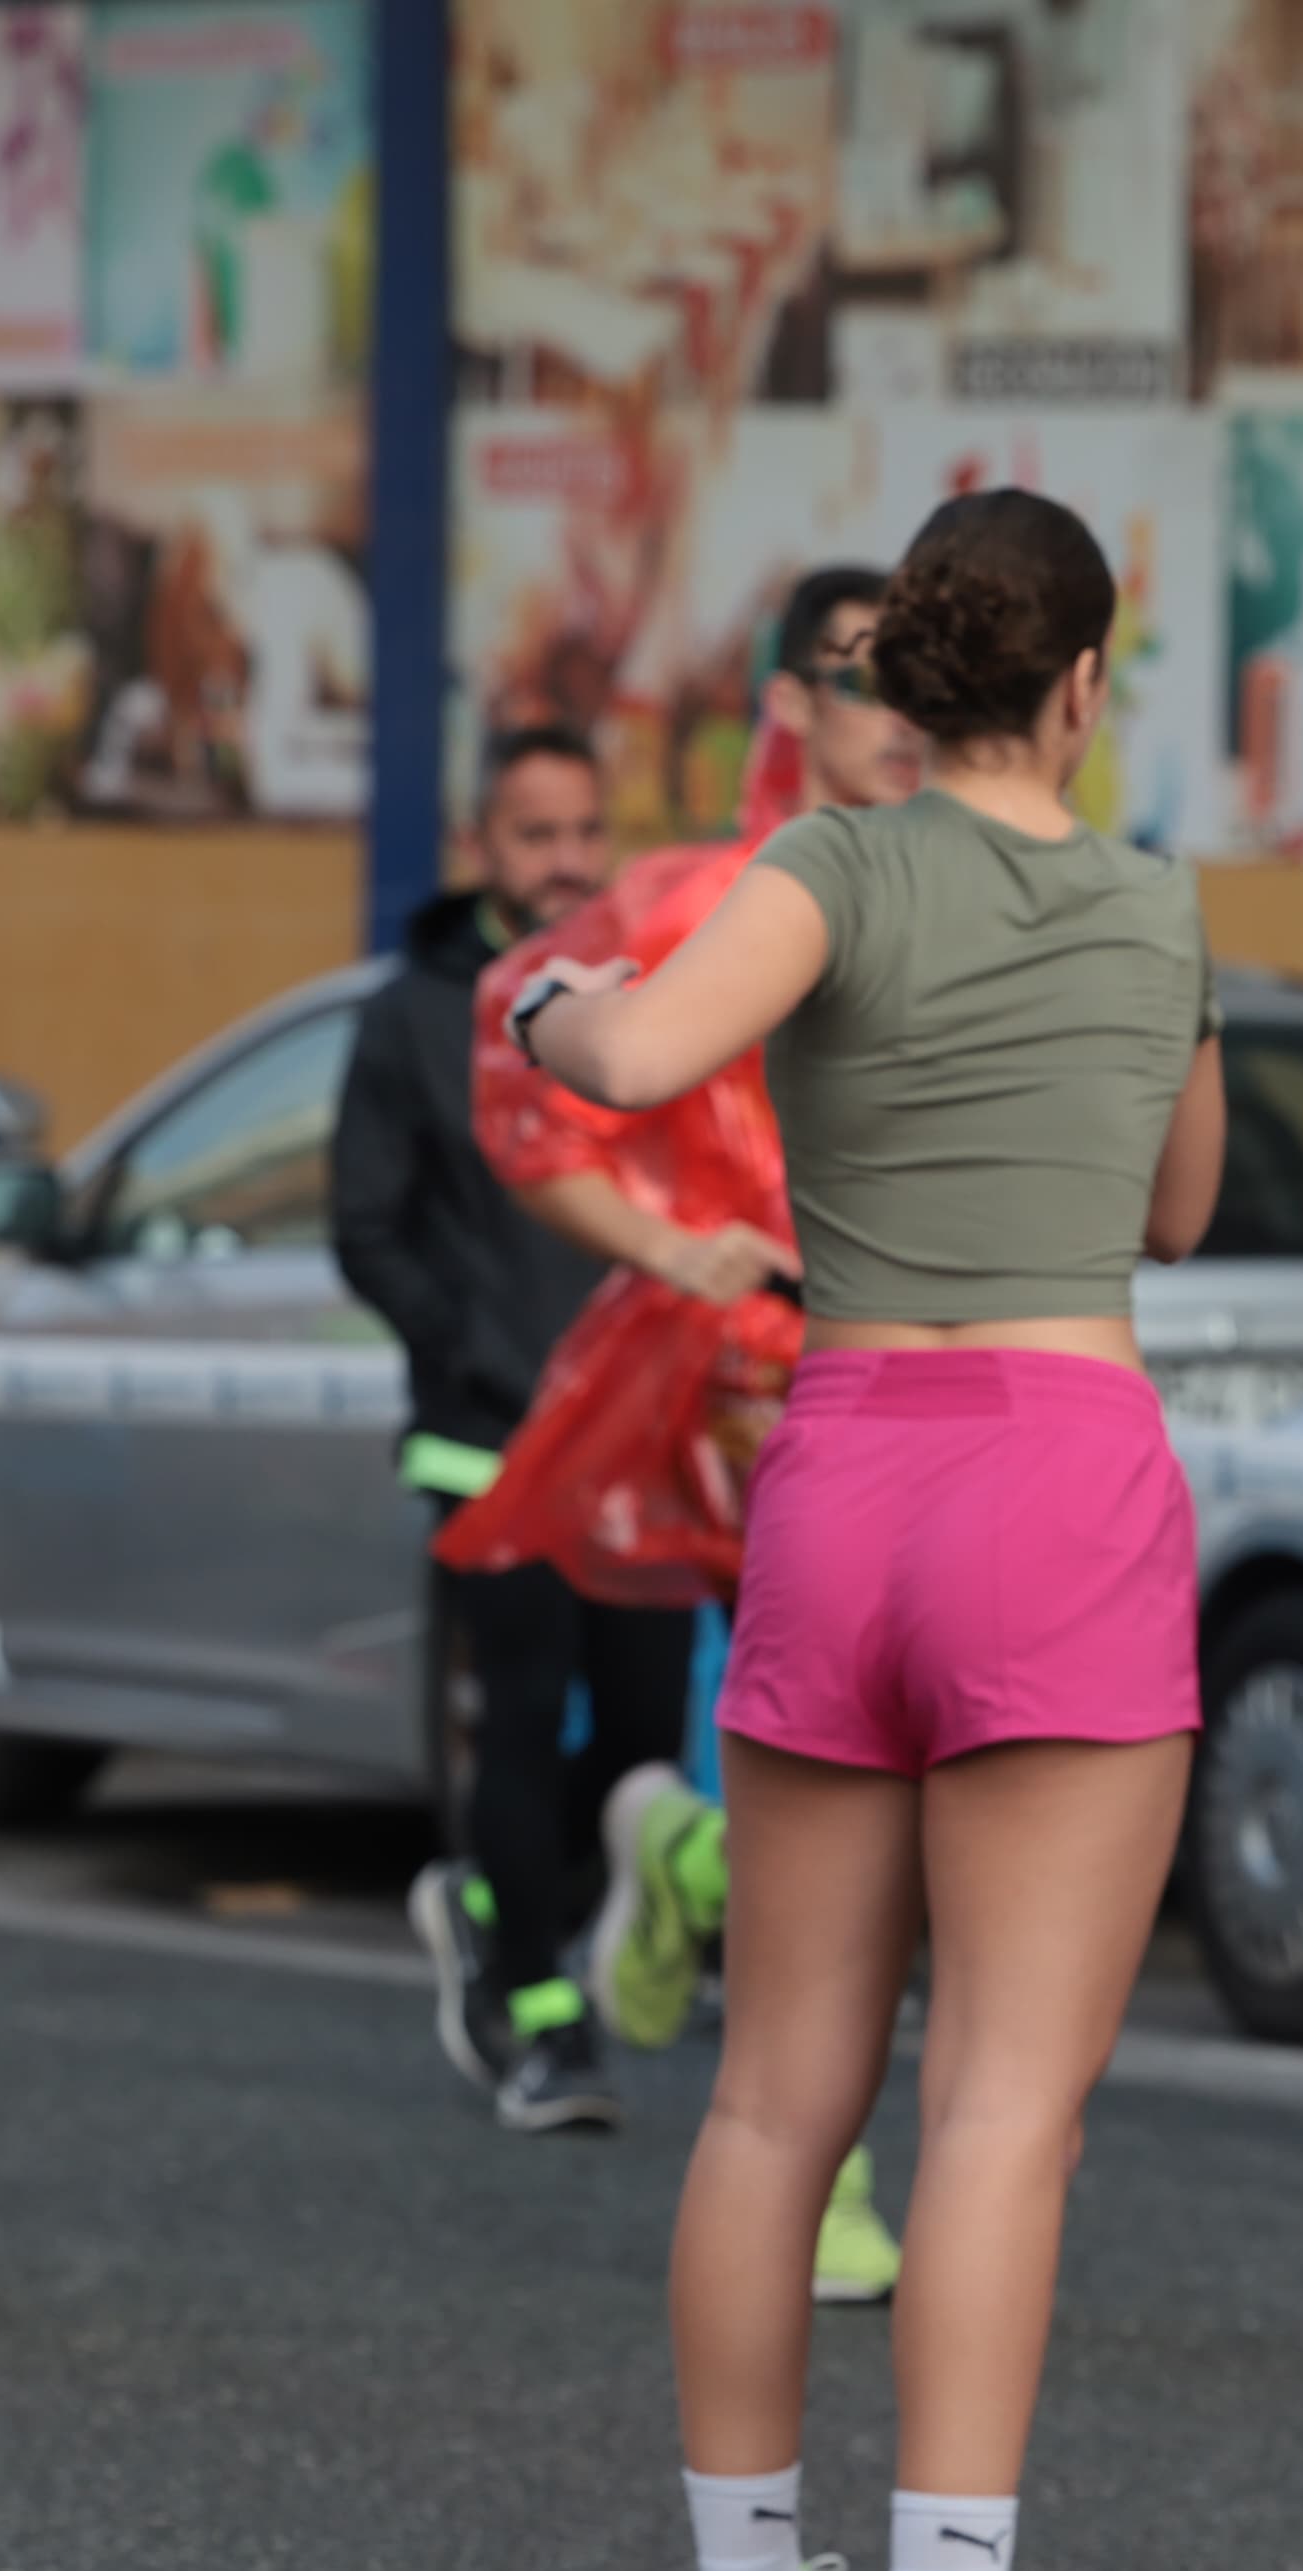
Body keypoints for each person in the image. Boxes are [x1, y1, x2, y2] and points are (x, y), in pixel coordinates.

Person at [508, 491, 1231, 2571]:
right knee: (1002, 2099)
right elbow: (1182, 1210)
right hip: (1057, 1470)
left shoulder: (824, 872)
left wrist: (540, 990)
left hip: (842, 1468)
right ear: (1086, 689)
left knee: (772, 2091)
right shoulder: (1153, 905)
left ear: (900, 682)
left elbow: (620, 1066)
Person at [512, 565, 922, 2294]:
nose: (893, 707)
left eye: (922, 671)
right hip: (748, 1386)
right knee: (835, 1778)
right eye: (853, 674)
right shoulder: (699, 895)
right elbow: (527, 1074)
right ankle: (816, 2162)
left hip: (941, 1378)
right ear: (783, 702)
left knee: (884, 1783)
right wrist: (673, 1247)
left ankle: (671, 1849)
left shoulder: (974, 881)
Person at [330, 720, 679, 2134]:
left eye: (586, 833)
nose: (567, 863)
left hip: (638, 1437)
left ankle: (493, 1894)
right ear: (484, 842)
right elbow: (368, 1226)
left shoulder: (652, 992)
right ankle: (540, 2012)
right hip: (490, 1437)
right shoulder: (414, 1011)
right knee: (525, 1714)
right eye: (537, 836)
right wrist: (474, 1352)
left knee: (645, 1740)